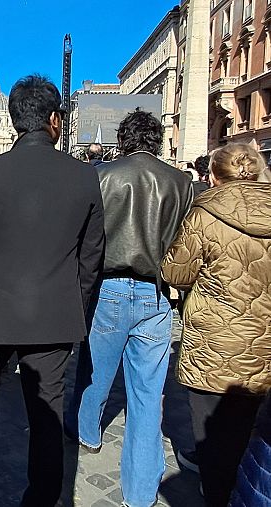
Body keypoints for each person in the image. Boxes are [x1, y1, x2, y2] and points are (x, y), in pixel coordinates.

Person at [0, 74, 105, 506]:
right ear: (55, 120)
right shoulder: (84, 176)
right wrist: (73, 303)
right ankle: (41, 498)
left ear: (14, 119)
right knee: (47, 411)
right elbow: (92, 255)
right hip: (56, 313)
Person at [74, 110, 193, 507]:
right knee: (147, 396)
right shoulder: (180, 182)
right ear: (157, 140)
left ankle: (88, 433)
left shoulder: (102, 175)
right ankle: (140, 494)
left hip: (108, 287)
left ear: (122, 139)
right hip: (156, 293)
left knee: (97, 372)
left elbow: (87, 238)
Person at [162, 142, 271, 507]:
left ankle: (216, 486)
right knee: (246, 416)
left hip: (213, 333)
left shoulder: (205, 213)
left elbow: (176, 271)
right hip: (262, 337)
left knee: (209, 423)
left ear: (213, 175)